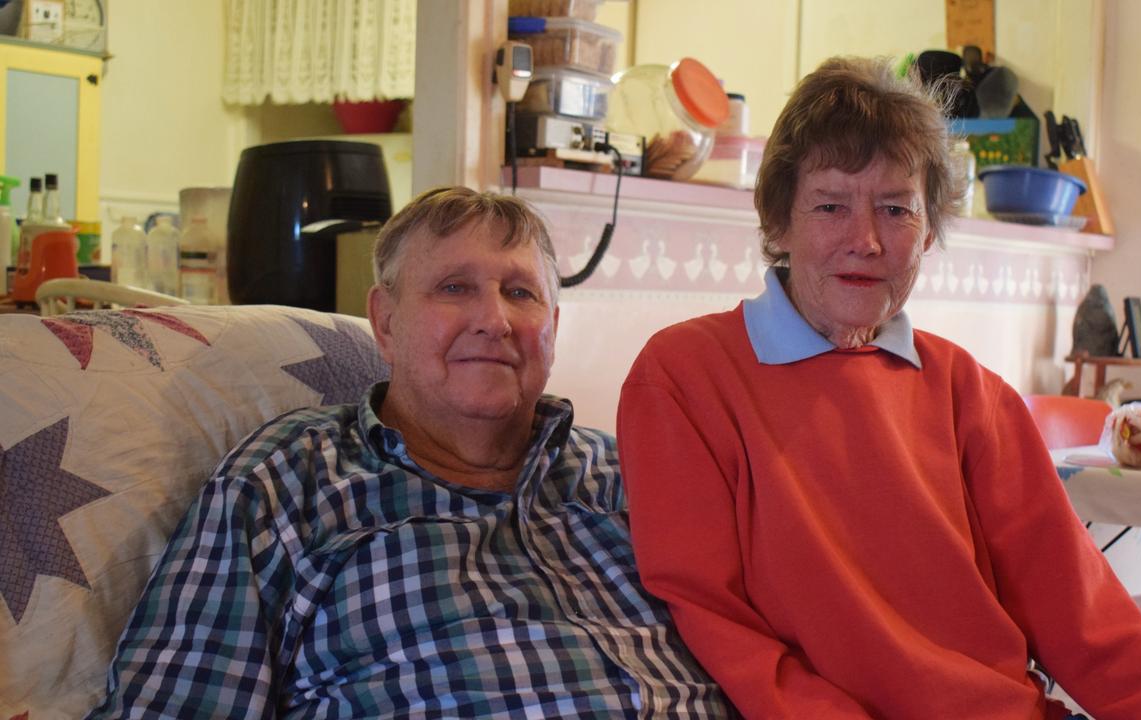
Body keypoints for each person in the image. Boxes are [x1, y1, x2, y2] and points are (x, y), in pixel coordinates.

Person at [615, 57, 1141, 719]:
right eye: (830, 206)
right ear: (777, 224)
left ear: (928, 231)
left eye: (895, 209)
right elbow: (719, 625)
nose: (867, 240)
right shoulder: (685, 378)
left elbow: (1093, 624)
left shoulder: (971, 394)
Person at [89, 187, 731, 718]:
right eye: (454, 288)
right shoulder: (289, 479)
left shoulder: (631, 477)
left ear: (553, 330)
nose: (494, 320)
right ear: (387, 322)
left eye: (520, 292)